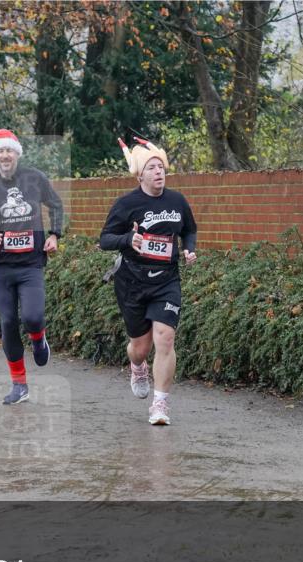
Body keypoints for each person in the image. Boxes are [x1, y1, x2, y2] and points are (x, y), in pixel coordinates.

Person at [99, 138, 197, 425]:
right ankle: (137, 365)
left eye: (161, 167)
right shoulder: (126, 204)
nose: (158, 172)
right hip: (132, 280)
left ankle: (160, 405)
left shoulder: (177, 201)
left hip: (166, 281)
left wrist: (189, 248)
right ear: (140, 174)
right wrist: (129, 239)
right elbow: (105, 240)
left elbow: (190, 229)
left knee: (165, 338)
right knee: (140, 347)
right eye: (151, 168)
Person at [0, 129, 64, 405]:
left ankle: (38, 338)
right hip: (2, 267)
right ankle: (19, 384)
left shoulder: (34, 178)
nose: (4, 156)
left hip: (31, 264)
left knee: (32, 317)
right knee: (8, 322)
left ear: (17, 153)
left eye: (9, 151)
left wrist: (55, 234)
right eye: (0, 151)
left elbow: (56, 205)